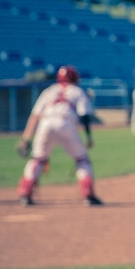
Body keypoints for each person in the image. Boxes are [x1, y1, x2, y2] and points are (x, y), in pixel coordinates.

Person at [16, 65, 103, 206]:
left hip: (45, 124)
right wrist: (88, 137)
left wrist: (26, 138)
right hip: (66, 123)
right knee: (82, 160)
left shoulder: (49, 91)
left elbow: (34, 116)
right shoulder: (78, 91)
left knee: (38, 159)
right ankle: (88, 195)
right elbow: (84, 116)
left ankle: (25, 194)